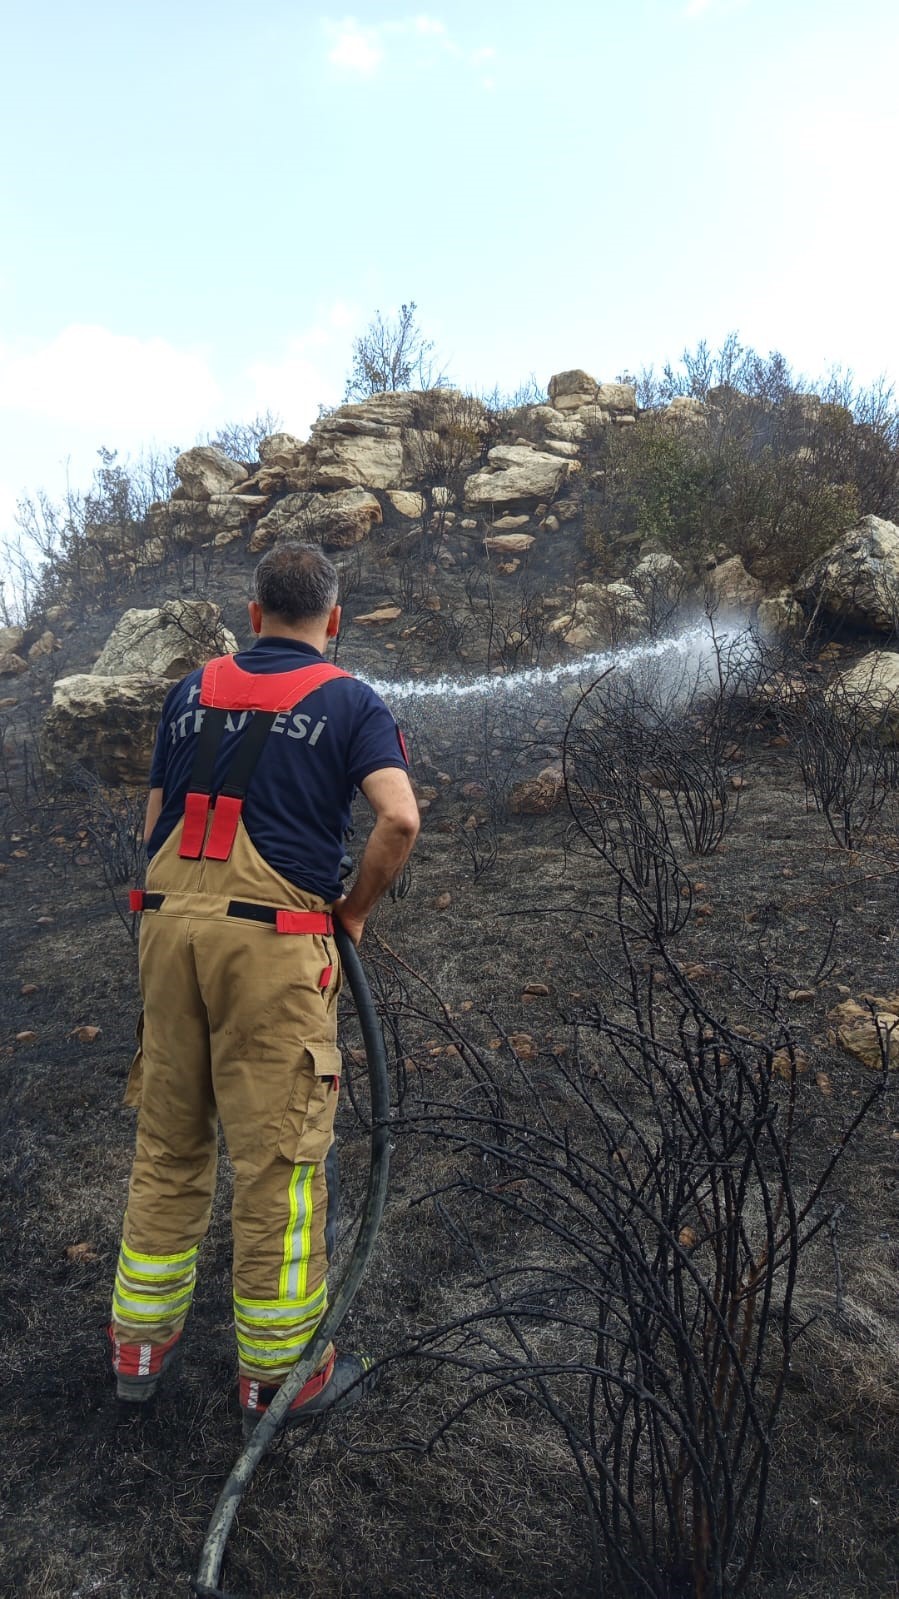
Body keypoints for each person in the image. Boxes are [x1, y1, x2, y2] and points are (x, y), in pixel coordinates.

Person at [108, 542, 419, 1433]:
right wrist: (351, 911)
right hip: (273, 944)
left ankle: (138, 1346)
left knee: (168, 1141)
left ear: (251, 616)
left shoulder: (190, 688)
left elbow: (154, 816)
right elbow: (398, 815)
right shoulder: (348, 698)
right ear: (333, 619)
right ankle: (280, 1376)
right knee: (277, 1159)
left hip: (167, 927)